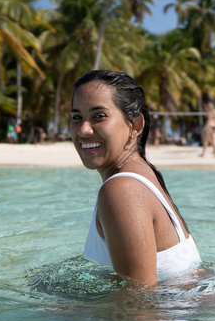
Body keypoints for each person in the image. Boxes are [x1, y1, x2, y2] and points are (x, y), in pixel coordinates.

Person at [71, 70, 202, 285]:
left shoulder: (123, 191)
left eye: (99, 116)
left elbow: (139, 307)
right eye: (77, 118)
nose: (84, 130)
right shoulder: (146, 175)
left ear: (135, 126)